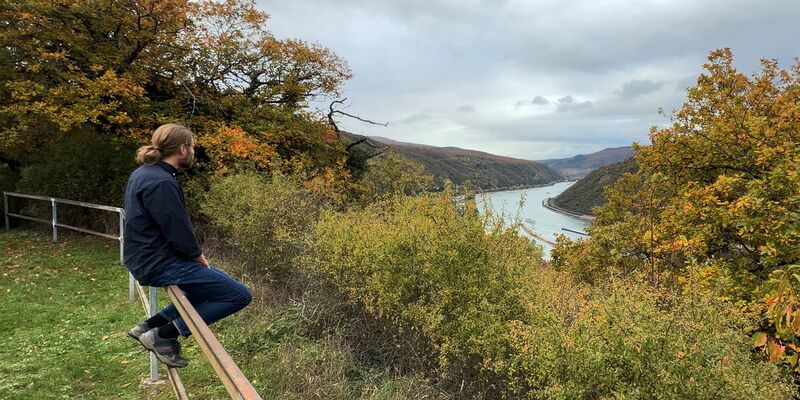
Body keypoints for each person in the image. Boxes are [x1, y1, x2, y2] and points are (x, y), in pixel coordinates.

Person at [123, 123, 252, 368]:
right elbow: (177, 229)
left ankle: (148, 326)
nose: (194, 151)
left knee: (215, 283)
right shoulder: (162, 182)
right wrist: (197, 256)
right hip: (158, 262)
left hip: (145, 257)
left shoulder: (144, 173)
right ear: (182, 149)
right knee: (239, 294)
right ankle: (163, 335)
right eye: (192, 146)